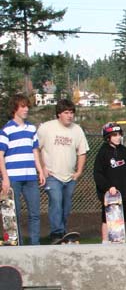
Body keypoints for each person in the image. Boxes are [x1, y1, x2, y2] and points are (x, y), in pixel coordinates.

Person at [37, 99, 89, 243]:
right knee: (56, 200)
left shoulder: (77, 130)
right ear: (59, 114)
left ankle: (63, 233)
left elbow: (82, 152)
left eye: (72, 113)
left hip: (69, 176)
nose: (70, 116)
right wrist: (42, 168)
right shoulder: (47, 128)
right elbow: (36, 148)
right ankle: (56, 233)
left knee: (65, 206)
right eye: (66, 113)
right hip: (52, 175)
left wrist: (78, 171)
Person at [0, 93, 46, 245]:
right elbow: (0, 155)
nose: (26, 109)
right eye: (23, 106)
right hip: (13, 178)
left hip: (30, 177)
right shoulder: (6, 130)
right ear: (15, 108)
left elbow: (35, 151)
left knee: (35, 213)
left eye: (27, 106)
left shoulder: (31, 129)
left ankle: (35, 245)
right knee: (15, 214)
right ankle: (17, 244)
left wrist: (40, 170)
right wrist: (5, 178)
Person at [93, 123, 126, 243]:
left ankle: (120, 239)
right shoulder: (103, 152)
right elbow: (98, 173)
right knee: (107, 217)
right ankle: (105, 240)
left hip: (123, 190)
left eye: (119, 135)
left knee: (121, 216)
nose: (118, 137)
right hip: (109, 193)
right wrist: (107, 187)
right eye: (114, 135)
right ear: (108, 137)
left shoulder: (125, 151)